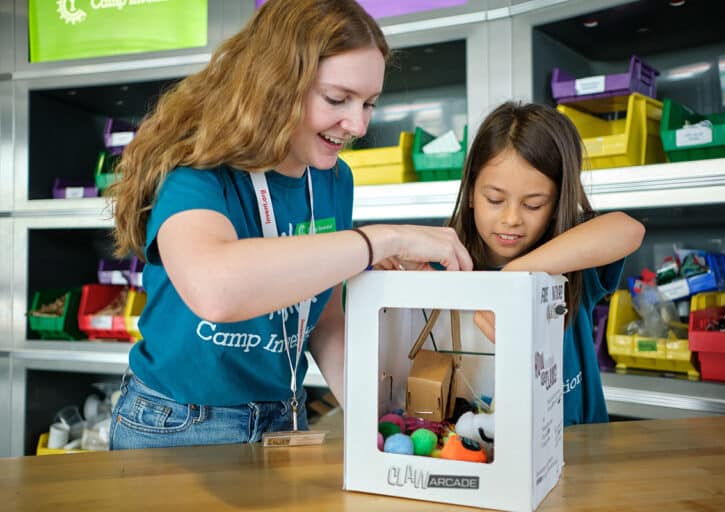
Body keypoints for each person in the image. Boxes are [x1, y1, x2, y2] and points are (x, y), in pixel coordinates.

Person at [107, 0, 472, 450]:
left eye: (369, 104)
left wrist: (374, 419)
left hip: (284, 416)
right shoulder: (197, 172)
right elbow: (216, 290)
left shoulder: (333, 178)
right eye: (338, 100)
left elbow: (323, 313)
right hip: (179, 422)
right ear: (275, 84)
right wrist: (382, 239)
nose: (356, 125)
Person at [447, 101, 645, 426]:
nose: (511, 219)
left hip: (580, 450)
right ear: (470, 192)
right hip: (478, 454)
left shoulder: (572, 260)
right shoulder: (449, 263)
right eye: (494, 200)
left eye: (534, 204)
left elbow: (629, 229)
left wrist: (514, 274)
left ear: (556, 203)